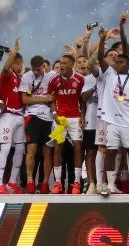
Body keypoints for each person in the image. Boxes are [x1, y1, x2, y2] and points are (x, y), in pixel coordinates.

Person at [97, 13, 129, 196]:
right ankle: (110, 185)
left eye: (120, 62)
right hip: (111, 121)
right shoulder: (109, 74)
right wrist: (103, 39)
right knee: (111, 152)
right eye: (115, 61)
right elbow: (100, 58)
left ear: (128, 64)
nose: (116, 63)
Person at [48, 53, 87, 194]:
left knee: (78, 147)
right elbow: (52, 99)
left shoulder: (80, 79)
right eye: (61, 63)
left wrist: (82, 114)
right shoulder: (53, 81)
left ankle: (76, 182)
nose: (62, 66)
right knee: (58, 147)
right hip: (60, 119)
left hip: (75, 118)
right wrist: (54, 114)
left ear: (72, 65)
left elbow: (83, 100)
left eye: (65, 63)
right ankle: (58, 182)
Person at [19, 53, 57, 193]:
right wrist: (44, 99)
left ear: (44, 66)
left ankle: (45, 182)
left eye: (38, 69)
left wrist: (53, 112)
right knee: (31, 149)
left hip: (48, 118)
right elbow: (25, 100)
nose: (36, 72)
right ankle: (30, 181)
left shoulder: (52, 76)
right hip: (32, 116)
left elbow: (53, 98)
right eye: (34, 69)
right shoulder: (26, 76)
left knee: (47, 151)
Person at [0, 39, 25, 194]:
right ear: (15, 63)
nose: (21, 67)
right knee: (5, 148)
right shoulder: (6, 75)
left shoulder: (19, 78)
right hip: (7, 116)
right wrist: (13, 52)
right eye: (20, 64)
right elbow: (6, 67)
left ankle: (12, 182)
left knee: (20, 148)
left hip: (19, 116)